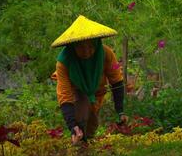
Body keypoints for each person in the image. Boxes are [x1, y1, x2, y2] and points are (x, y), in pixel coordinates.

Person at [51, 15, 128, 144]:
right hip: (76, 91)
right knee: (81, 111)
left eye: (91, 46)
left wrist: (120, 111)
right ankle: (79, 143)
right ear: (72, 46)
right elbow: (65, 96)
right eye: (81, 47)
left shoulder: (106, 54)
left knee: (92, 125)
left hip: (96, 93)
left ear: (97, 43)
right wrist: (72, 126)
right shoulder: (64, 62)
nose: (86, 52)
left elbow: (116, 81)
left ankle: (87, 145)